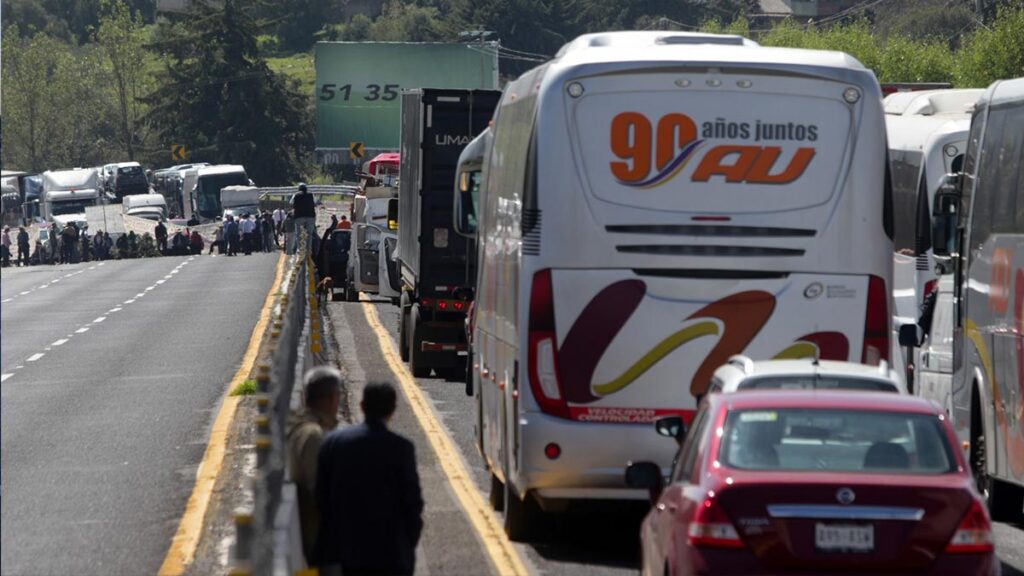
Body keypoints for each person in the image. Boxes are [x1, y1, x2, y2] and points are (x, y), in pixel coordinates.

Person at [314, 382, 423, 576]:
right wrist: (407, 545)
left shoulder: (334, 443)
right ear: (392, 411)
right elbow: (413, 505)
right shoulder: (402, 449)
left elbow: (321, 498)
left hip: (346, 553)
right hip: (391, 555)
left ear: (362, 406)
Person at [287, 367, 342, 564]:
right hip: (321, 544)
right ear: (333, 399)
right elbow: (321, 491)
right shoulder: (313, 436)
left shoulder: (298, 426)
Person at [290, 183, 317, 254]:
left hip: (299, 216)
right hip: (310, 216)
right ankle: (309, 249)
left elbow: (291, 203)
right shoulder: (311, 195)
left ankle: (299, 249)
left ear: (299, 189)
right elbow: (316, 203)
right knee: (309, 234)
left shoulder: (296, 195)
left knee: (298, 234)